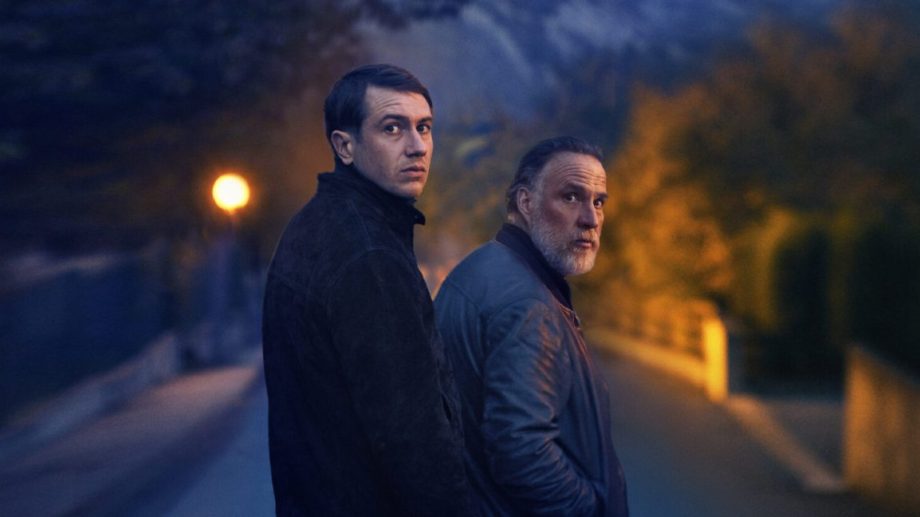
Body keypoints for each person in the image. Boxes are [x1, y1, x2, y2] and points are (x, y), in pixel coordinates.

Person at [262, 64, 472, 516]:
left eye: (424, 127)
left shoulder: (317, 224)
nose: (417, 146)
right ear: (345, 146)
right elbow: (414, 441)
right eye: (392, 128)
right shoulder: (369, 255)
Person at [434, 136, 629, 516]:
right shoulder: (527, 304)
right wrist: (591, 508)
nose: (590, 219)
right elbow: (521, 451)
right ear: (525, 203)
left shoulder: (480, 268)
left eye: (598, 202)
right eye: (571, 197)